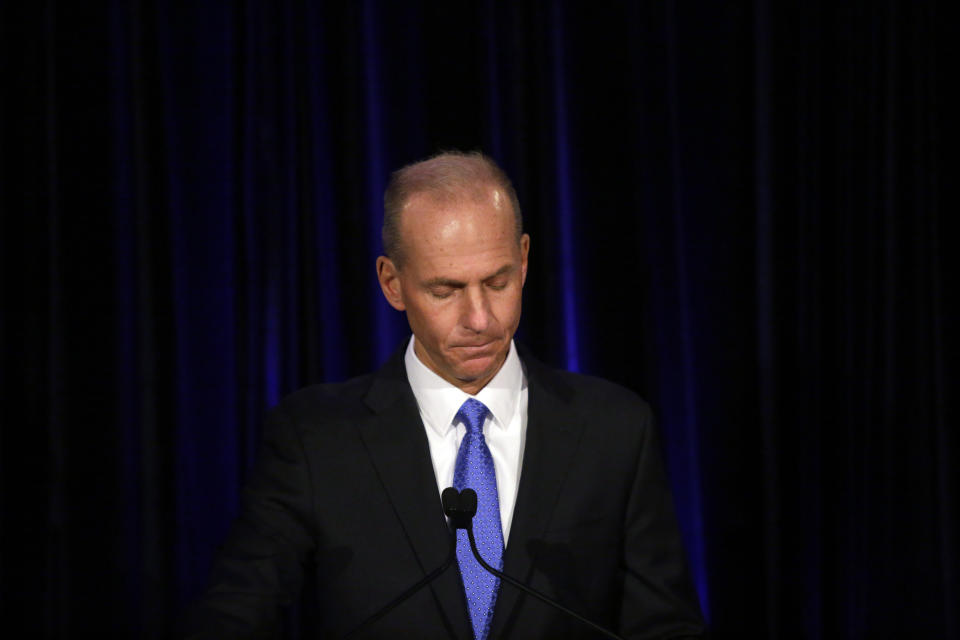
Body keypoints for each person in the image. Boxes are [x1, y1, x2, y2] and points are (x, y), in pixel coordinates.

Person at [184, 151, 705, 638]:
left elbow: (665, 626)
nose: (479, 320)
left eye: (497, 282)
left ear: (523, 260)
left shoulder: (614, 430)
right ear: (392, 283)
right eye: (445, 290)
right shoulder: (313, 440)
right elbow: (237, 613)